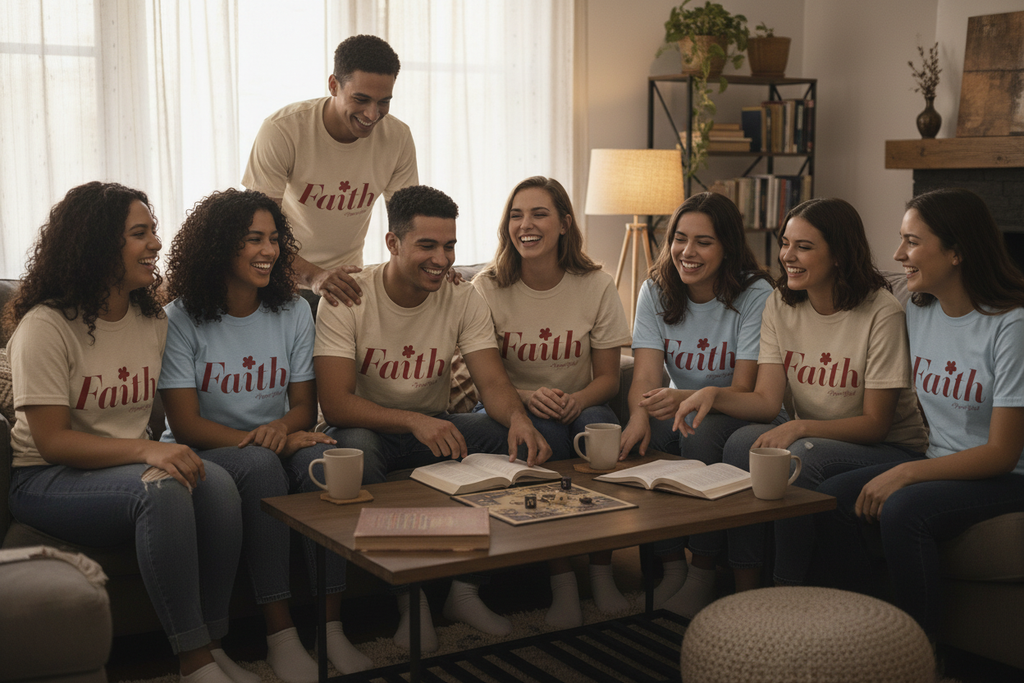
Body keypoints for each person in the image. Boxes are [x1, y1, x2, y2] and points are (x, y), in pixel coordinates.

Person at [4, 182, 245, 683]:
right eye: (140, 233)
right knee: (161, 489)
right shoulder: (46, 326)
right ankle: (192, 660)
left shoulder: (150, 319)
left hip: (121, 469)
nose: (156, 243)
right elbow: (52, 441)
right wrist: (147, 452)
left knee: (218, 484)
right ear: (97, 246)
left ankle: (215, 643)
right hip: (46, 478)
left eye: (153, 231)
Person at [314, 184, 551, 650]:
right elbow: (336, 403)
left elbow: (493, 385)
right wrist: (412, 420)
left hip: (435, 427)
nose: (441, 259)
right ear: (393, 243)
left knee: (514, 435)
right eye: (427, 245)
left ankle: (465, 590)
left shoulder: (461, 296)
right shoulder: (348, 297)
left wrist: (519, 419)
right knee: (357, 447)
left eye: (449, 246)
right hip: (367, 430)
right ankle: (411, 601)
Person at [672, 197, 928, 615]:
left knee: (798, 458)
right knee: (741, 445)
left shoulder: (881, 312)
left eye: (804, 247)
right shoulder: (781, 303)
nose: (787, 256)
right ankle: (744, 591)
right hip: (817, 438)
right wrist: (714, 395)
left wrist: (800, 427)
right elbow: (766, 401)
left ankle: (784, 598)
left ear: (839, 254)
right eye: (785, 243)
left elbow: (876, 424)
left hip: (887, 448)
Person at [158, 189, 371, 681]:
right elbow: (185, 424)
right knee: (259, 466)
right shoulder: (180, 318)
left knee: (324, 463)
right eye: (254, 239)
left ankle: (331, 628)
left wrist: (280, 429)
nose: (269, 251)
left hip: (275, 442)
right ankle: (281, 635)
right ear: (218, 247)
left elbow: (304, 409)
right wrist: (267, 441)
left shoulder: (293, 310)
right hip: (207, 451)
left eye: (275, 239)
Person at [815, 188, 1024, 637]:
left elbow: (1002, 453)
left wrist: (907, 473)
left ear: (956, 252)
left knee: (903, 510)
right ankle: (862, 635)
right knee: (831, 498)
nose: (898, 254)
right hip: (941, 463)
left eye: (912, 242)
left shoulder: (1011, 326)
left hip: (1009, 477)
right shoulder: (917, 308)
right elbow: (849, 290)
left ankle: (920, 655)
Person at [473, 176, 633, 628]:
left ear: (564, 223)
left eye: (538, 214)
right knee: (547, 438)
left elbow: (609, 378)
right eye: (516, 215)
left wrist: (576, 400)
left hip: (583, 404)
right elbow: (484, 377)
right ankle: (564, 582)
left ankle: (601, 571)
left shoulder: (596, 285)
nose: (525, 225)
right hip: (514, 408)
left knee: (601, 430)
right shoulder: (486, 287)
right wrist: (527, 396)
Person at [617, 192, 776, 616]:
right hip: (685, 408)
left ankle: (702, 571)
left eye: (703, 242)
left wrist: (681, 399)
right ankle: (673, 568)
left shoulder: (755, 293)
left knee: (698, 433)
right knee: (648, 440)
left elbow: (744, 388)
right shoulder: (655, 290)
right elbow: (645, 376)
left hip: (741, 412)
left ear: (727, 247)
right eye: (680, 239)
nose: (687, 252)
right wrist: (638, 415)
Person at [242, 34, 417, 308]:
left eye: (383, 102)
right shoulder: (283, 130)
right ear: (334, 85)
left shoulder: (398, 137)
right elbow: (256, 232)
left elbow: (409, 224)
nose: (372, 114)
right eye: (361, 99)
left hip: (345, 284)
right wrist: (314, 276)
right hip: (281, 280)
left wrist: (431, 265)